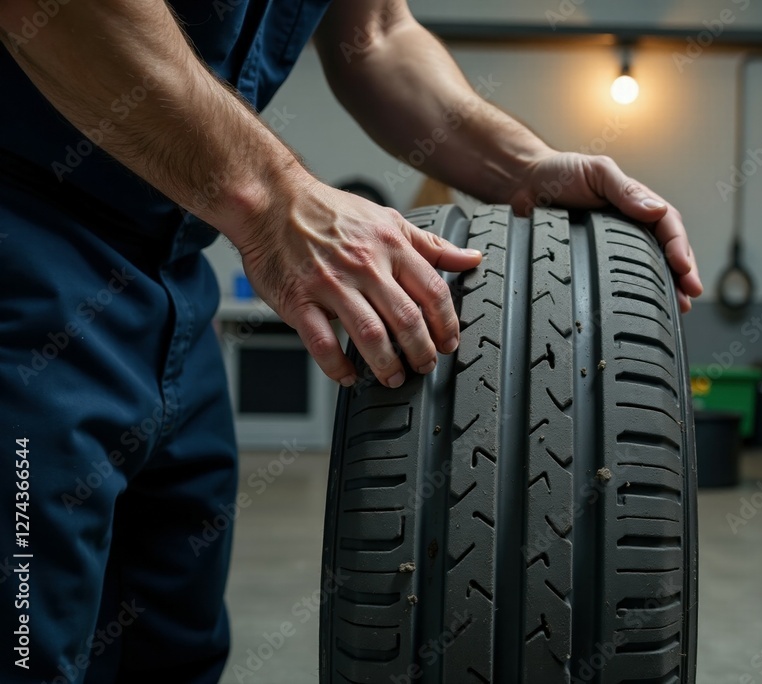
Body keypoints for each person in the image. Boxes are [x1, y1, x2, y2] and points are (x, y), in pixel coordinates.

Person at [0, 2, 702, 682]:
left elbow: (378, 37)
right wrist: (275, 199)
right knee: (26, 641)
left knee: (169, 639)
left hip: (176, 276)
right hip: (26, 248)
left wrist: (523, 165)